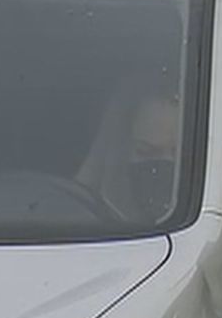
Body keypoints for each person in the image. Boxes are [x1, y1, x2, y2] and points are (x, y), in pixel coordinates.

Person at [77, 76, 184, 223]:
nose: (164, 164)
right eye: (146, 152)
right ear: (121, 151)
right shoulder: (84, 226)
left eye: (179, 157)